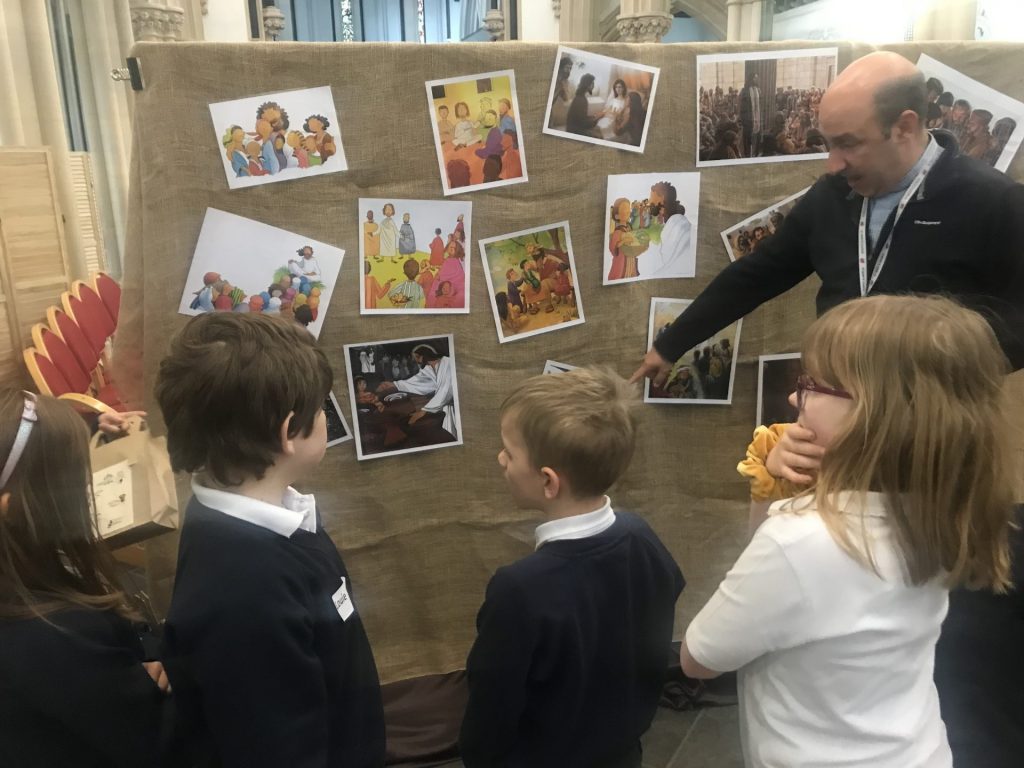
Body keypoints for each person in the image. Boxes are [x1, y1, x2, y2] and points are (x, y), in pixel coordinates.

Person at [633, 51, 1024, 483]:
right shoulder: (832, 196)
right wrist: (673, 342)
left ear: (905, 127)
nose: (832, 164)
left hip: (934, 441)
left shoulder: (994, 202)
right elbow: (758, 274)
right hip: (837, 433)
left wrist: (930, 362)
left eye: (848, 144)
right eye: (828, 144)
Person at [683, 294, 1015, 768]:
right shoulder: (944, 508)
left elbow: (700, 657)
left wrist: (775, 500)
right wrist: (778, 486)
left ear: (873, 417)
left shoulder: (799, 541)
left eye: (812, 385)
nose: (794, 398)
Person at [155, 313, 385, 767]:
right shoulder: (243, 596)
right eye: (321, 407)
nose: (325, 415)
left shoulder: (270, 520)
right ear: (289, 432)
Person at [460, 368, 684, 768]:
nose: (501, 459)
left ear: (549, 481)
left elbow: (492, 704)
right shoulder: (641, 536)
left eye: (509, 453)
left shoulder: (518, 589)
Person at [0, 391, 173, 768]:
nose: (90, 486)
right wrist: (177, 674)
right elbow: (158, 743)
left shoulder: (26, 589)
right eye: (76, 476)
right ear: (14, 507)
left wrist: (91, 425)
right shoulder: (57, 634)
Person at [376, 344, 458, 438]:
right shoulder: (429, 368)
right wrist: (395, 384)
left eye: (416, 357)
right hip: (446, 406)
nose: (415, 360)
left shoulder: (447, 364)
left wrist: (423, 411)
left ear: (422, 356)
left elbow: (445, 392)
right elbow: (418, 381)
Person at [566, 74, 600, 138]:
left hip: (573, 128)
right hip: (575, 131)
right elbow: (583, 123)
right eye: (592, 83)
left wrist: (594, 117)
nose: (594, 86)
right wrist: (597, 119)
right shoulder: (581, 100)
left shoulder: (580, 97)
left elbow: (581, 118)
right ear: (587, 85)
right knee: (599, 136)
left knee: (598, 129)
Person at [739, 71, 762, 157]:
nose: (757, 79)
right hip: (748, 119)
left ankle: (755, 154)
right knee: (747, 138)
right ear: (751, 79)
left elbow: (759, 105)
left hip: (757, 118)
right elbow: (741, 106)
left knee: (756, 137)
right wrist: (743, 118)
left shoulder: (758, 90)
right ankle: (747, 155)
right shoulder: (744, 91)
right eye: (755, 78)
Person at [549, 55, 573, 128]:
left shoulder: (562, 82)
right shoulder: (552, 77)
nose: (569, 71)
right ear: (560, 68)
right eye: (567, 68)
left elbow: (566, 99)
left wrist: (565, 85)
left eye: (570, 68)